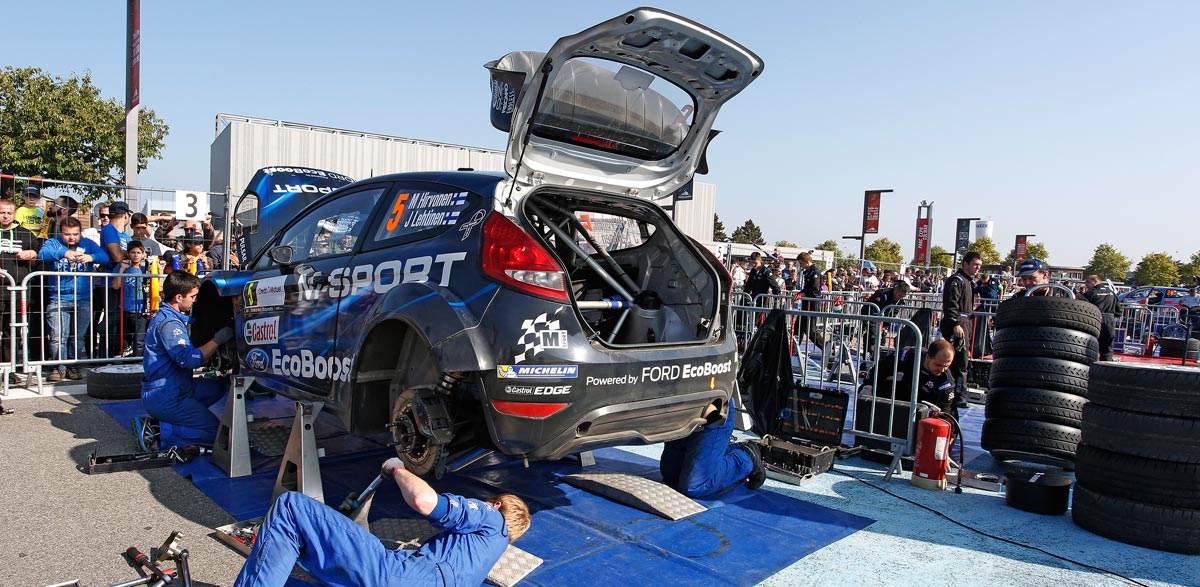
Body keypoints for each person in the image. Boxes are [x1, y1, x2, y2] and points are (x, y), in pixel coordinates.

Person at [233, 458, 531, 587]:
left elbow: (424, 502)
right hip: (403, 577)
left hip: (400, 577)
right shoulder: (483, 559)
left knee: (291, 507)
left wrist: (398, 470)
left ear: (497, 504)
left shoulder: (491, 517)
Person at [132, 271, 234, 450]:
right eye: (193, 296)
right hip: (165, 395)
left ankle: (178, 418)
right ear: (179, 297)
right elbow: (190, 360)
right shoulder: (170, 325)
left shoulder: (169, 318)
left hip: (175, 385)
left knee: (216, 388)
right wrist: (218, 340)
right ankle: (157, 432)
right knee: (215, 434)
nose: (195, 300)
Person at [38, 217, 110, 382]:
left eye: (75, 234)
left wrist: (91, 258)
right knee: (57, 336)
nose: (71, 238)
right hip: (58, 297)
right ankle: (59, 367)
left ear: (80, 233)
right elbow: (42, 255)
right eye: (67, 234)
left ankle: (73, 366)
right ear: (61, 232)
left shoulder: (88, 243)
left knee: (78, 336)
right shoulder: (53, 243)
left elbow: (104, 256)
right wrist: (64, 253)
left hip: (83, 297)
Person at [660, 403, 766, 497]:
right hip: (682, 413)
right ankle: (727, 450)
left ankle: (745, 456)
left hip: (713, 413)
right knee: (671, 475)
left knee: (694, 486)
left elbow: (728, 383)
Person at [0, 198, 44, 385]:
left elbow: (36, 259)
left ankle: (8, 370)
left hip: (17, 291)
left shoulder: (26, 235)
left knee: (12, 332)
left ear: (15, 213)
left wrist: (33, 255)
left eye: (9, 212)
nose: (5, 216)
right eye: (2, 212)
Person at [940, 252, 981, 405]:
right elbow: (951, 303)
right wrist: (956, 323)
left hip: (966, 322)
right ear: (965, 263)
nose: (977, 268)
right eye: (975, 264)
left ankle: (957, 392)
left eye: (979, 266)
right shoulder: (956, 281)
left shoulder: (969, 281)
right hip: (959, 323)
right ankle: (957, 395)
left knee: (961, 360)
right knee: (959, 361)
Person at [97, 201, 133, 358]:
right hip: (110, 284)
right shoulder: (109, 230)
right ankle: (105, 354)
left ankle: (118, 350)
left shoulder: (125, 235)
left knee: (120, 320)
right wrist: (129, 254)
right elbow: (117, 255)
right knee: (111, 319)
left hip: (123, 284)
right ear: (126, 215)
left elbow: (133, 253)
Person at [893, 339, 962, 419]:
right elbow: (878, 372)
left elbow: (946, 416)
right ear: (928, 357)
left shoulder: (946, 383)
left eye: (947, 366)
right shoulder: (908, 356)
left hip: (922, 417)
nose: (942, 370)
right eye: (939, 365)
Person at [113, 240, 151, 354]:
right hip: (125, 308)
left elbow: (156, 284)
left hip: (141, 309)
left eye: (138, 253)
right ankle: (126, 359)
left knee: (139, 339)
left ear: (143, 254)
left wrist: (159, 268)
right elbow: (115, 286)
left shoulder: (146, 268)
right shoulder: (122, 267)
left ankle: (138, 361)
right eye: (133, 252)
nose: (135, 255)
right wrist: (122, 269)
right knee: (125, 338)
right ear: (128, 254)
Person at [863, 281, 911, 352]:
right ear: (896, 290)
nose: (900, 298)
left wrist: (885, 323)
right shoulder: (882, 295)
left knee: (881, 336)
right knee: (873, 335)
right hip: (872, 316)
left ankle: (875, 354)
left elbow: (894, 313)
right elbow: (872, 309)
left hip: (884, 319)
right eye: (899, 295)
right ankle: (870, 354)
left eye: (902, 296)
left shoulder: (899, 301)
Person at [1083, 275, 1120, 361]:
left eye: (1088, 282)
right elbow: (1119, 311)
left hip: (1096, 320)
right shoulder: (1112, 293)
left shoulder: (1091, 293)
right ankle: (1107, 369)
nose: (1086, 284)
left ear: (1095, 281)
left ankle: (1093, 367)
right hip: (1110, 320)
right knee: (1107, 348)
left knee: (1092, 346)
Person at [794, 251, 826, 348]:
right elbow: (807, 287)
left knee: (811, 330)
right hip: (805, 302)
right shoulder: (807, 272)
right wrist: (800, 293)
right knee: (798, 327)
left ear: (807, 262)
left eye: (801, 263)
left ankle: (826, 347)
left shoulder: (815, 272)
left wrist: (804, 293)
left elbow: (815, 289)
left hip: (813, 303)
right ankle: (793, 349)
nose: (800, 265)